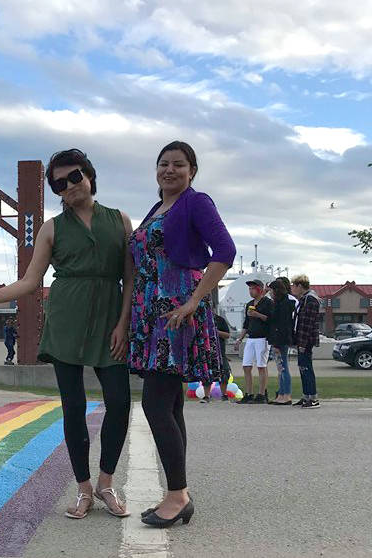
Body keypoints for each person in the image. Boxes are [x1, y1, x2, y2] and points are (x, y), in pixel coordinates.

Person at [0, 148, 133, 519]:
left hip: (109, 320)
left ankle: (106, 484)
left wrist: (123, 323)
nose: (69, 186)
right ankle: (84, 489)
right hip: (66, 319)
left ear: (89, 175)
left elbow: (131, 279)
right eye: (59, 183)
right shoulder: (52, 227)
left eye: (75, 177)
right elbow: (29, 282)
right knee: (74, 407)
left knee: (119, 402)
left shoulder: (120, 220)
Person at [130, 141, 235, 527]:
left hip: (175, 313)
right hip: (150, 313)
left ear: (192, 171)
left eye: (178, 164)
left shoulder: (196, 202)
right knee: (171, 405)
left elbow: (225, 250)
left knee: (156, 405)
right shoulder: (156, 209)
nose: (169, 170)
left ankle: (177, 495)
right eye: (163, 164)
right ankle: (179, 494)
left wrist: (193, 302)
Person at [234, 279, 274, 404]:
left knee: (261, 366)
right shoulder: (249, 304)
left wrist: (258, 315)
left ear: (260, 290)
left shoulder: (268, 303)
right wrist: (240, 339)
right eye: (249, 288)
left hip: (263, 338)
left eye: (253, 288)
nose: (250, 291)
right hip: (251, 338)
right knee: (246, 366)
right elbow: (246, 323)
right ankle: (249, 393)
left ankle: (262, 394)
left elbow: (271, 319)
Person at [291, 275, 321, 408]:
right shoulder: (303, 299)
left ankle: (313, 398)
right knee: (302, 368)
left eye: (294, 285)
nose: (292, 288)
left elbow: (307, 324)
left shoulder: (311, 300)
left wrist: (302, 343)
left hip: (306, 340)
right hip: (301, 339)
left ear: (300, 286)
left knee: (307, 368)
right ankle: (306, 395)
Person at [266, 279, 295, 405]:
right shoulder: (278, 303)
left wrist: (277, 343)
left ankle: (286, 394)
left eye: (271, 290)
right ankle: (281, 393)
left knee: (283, 367)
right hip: (276, 339)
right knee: (280, 368)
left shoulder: (284, 304)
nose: (270, 293)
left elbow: (282, 325)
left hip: (281, 340)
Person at [200, 309, 231, 403]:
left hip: (220, 351)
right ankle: (206, 396)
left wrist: (215, 332)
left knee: (224, 372)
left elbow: (227, 335)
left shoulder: (220, 320)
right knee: (206, 373)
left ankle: (224, 395)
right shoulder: (201, 319)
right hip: (206, 350)